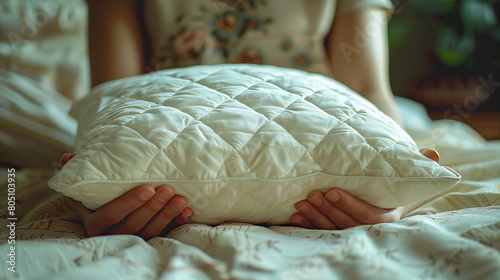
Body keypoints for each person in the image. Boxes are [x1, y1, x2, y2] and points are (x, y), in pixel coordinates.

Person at [67, 0, 441, 239]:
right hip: (166, 116)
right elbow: (117, 95)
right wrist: (99, 192)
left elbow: (367, 89)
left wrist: (391, 187)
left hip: (320, 120)